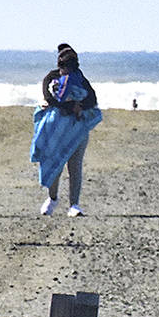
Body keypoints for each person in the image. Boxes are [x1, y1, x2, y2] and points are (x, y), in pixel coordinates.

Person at [32, 46, 101, 216]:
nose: (66, 71)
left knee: (75, 166)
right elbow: (48, 97)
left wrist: (80, 106)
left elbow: (92, 99)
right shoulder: (52, 77)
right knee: (55, 163)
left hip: (77, 128)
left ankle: (74, 204)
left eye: (70, 67)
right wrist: (69, 106)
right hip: (56, 129)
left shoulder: (80, 79)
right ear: (59, 65)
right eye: (64, 66)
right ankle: (52, 198)